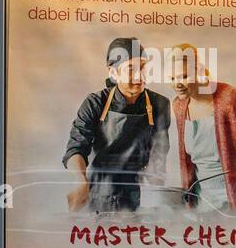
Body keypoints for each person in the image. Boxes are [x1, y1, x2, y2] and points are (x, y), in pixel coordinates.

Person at [63, 37, 171, 213]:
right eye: (131, 69)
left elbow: (159, 151)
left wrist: (156, 185)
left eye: (143, 67)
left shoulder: (160, 104)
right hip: (101, 194)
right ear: (113, 72)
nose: (139, 76)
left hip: (142, 193)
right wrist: (81, 181)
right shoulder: (95, 103)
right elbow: (76, 149)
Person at [169, 43, 236, 212]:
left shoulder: (230, 99)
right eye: (172, 78)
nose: (177, 84)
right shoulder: (179, 106)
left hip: (235, 200)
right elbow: (188, 161)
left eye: (183, 76)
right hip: (200, 202)